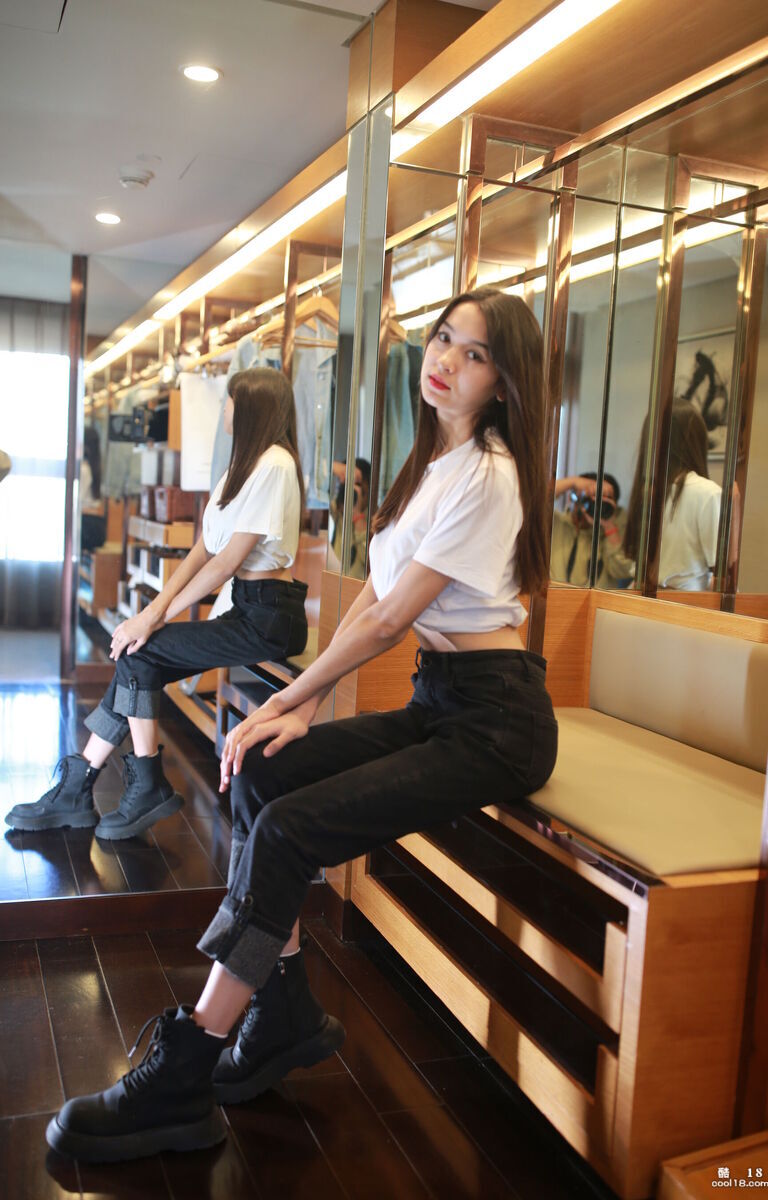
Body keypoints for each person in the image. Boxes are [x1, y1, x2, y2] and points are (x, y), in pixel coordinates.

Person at [44, 287, 559, 1164]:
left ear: (504, 382)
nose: (444, 359)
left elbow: (388, 620)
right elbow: (376, 598)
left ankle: (188, 1066)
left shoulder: (491, 474)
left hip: (498, 721)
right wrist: (308, 701)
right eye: (443, 338)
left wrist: (291, 696)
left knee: (287, 828)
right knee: (259, 773)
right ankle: (281, 1009)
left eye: (474, 354)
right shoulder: (435, 463)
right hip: (440, 699)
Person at [6, 368, 308, 841]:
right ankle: (84, 786)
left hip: (270, 618)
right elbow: (204, 550)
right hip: (248, 608)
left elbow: (227, 562)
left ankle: (133, 785)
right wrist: (152, 614)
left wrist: (153, 617)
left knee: (140, 652)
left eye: (229, 401)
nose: (223, 409)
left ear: (250, 407)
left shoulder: (275, 464)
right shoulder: (244, 466)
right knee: (137, 656)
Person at [624, 402, 722, 590]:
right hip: (684, 604)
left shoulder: (645, 491)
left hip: (640, 597)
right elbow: (721, 576)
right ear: (696, 441)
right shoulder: (707, 494)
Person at [550, 470, 632, 588]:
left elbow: (622, 571)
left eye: (602, 501)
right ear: (575, 497)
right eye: (591, 498)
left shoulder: (615, 533)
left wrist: (609, 526)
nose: (596, 505)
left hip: (597, 600)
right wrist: (573, 483)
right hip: (555, 598)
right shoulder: (555, 523)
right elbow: (532, 499)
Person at [80, 424, 107, 552]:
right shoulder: (95, 468)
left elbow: (77, 501)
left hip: (85, 527)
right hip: (95, 526)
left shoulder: (84, 469)